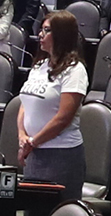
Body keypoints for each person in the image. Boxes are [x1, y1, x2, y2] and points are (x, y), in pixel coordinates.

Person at [8, 11, 87, 197]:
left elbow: (63, 118)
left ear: (62, 34)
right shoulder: (39, 66)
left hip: (61, 155)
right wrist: (22, 136)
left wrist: (33, 142)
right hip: (33, 152)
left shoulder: (75, 70)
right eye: (41, 29)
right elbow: (25, 104)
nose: (40, 34)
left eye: (47, 30)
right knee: (33, 210)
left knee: (54, 211)